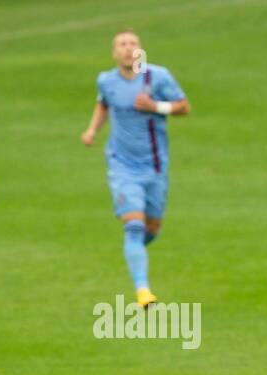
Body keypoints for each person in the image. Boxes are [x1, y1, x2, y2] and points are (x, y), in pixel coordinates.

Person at [82, 30, 189, 307]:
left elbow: (184, 107)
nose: (128, 49)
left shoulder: (157, 78)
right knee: (133, 227)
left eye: (133, 44)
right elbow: (103, 104)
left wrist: (156, 106)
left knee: (150, 229)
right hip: (121, 165)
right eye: (122, 44)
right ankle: (143, 291)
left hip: (154, 166)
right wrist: (92, 130)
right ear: (113, 53)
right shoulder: (106, 81)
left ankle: (134, 254)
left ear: (141, 50)